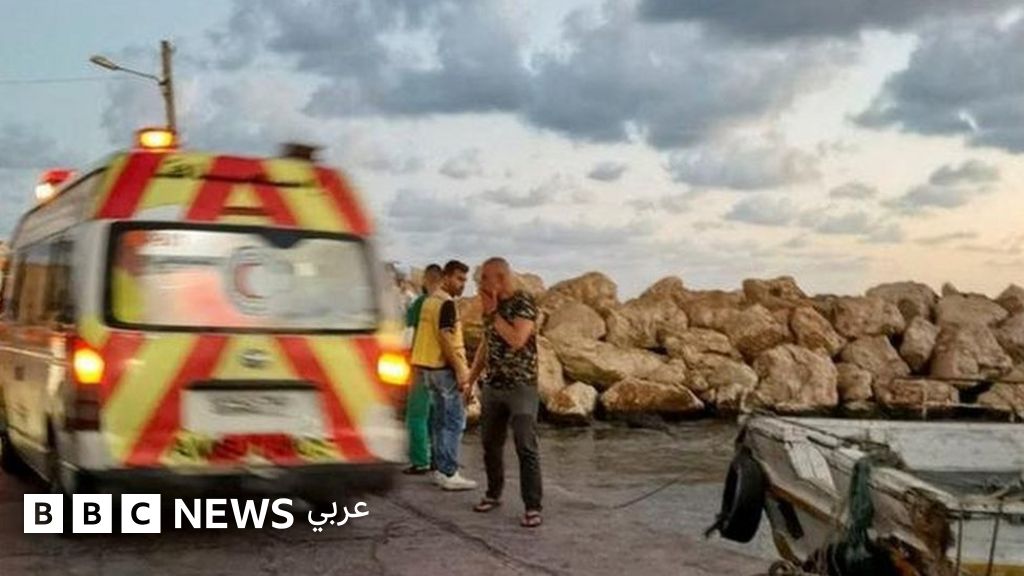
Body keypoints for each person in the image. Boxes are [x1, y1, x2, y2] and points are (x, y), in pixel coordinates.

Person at [469, 257, 543, 528]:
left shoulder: (523, 302)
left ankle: (532, 507)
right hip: (493, 386)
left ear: (499, 278)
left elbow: (517, 339)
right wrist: (470, 379)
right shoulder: (491, 307)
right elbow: (487, 344)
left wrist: (493, 313)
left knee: (525, 446)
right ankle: (493, 493)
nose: (479, 285)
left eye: (483, 279)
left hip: (521, 387)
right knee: (490, 444)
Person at [410, 260, 477, 491]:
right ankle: (449, 472)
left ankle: (439, 469)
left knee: (439, 421)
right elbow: (446, 337)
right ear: (446, 277)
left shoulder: (430, 301)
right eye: (459, 279)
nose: (462, 284)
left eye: (465, 280)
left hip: (428, 368)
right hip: (445, 369)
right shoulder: (447, 303)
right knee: (454, 422)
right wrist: (460, 369)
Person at [403, 264, 443, 475]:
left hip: (420, 363)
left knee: (416, 415)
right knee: (435, 415)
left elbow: (407, 328)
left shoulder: (421, 303)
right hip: (440, 365)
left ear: (426, 280)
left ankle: (420, 461)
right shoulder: (446, 302)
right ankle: (437, 458)